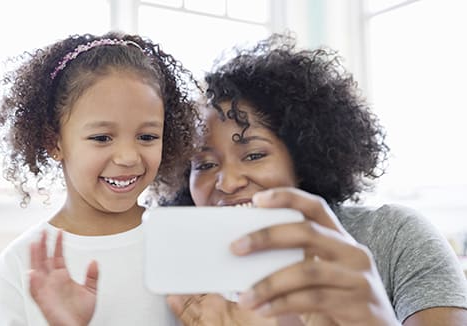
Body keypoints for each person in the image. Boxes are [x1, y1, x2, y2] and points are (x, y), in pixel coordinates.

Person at [25, 33, 467, 325]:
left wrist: (372, 317)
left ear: (306, 155)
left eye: (253, 153)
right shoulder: (183, 274)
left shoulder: (393, 239)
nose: (228, 181)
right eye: (204, 163)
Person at [0, 31, 199, 326]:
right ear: (54, 143)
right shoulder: (20, 266)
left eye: (147, 136)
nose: (128, 157)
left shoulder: (184, 245)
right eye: (102, 137)